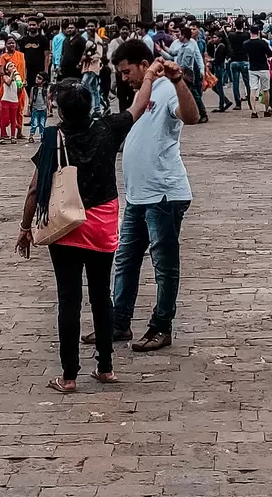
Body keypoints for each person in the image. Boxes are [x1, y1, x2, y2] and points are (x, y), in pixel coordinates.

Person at [16, 71, 160, 393]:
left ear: (61, 110)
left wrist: (25, 228)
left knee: (68, 300)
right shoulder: (108, 129)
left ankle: (68, 376)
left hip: (66, 225)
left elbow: (33, 189)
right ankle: (106, 367)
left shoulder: (54, 138)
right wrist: (149, 74)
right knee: (101, 296)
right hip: (102, 226)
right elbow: (139, 104)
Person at [104, 39, 200, 351]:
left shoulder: (168, 89)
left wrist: (177, 80)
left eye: (127, 71)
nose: (123, 77)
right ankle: (118, 322)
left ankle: (162, 325)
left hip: (163, 194)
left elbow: (191, 116)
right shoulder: (142, 93)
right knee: (127, 260)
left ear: (145, 65)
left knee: (164, 265)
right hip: (138, 196)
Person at [0, 52, 24, 143]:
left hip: (14, 101)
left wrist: (21, 86)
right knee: (4, 119)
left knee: (13, 120)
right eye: (11, 66)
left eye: (14, 66)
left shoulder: (17, 78)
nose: (13, 67)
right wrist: (13, 74)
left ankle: (13, 136)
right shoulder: (5, 76)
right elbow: (8, 82)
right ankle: (2, 135)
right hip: (6, 101)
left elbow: (18, 91)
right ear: (7, 69)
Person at [28, 73, 49, 139]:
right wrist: (29, 107)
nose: (37, 79)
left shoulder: (46, 90)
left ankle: (42, 135)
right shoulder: (33, 89)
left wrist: (49, 110)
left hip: (43, 109)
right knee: (34, 123)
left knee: (42, 124)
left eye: (39, 78)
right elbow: (31, 98)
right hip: (35, 108)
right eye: (37, 77)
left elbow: (48, 100)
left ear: (44, 81)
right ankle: (31, 136)